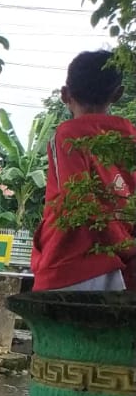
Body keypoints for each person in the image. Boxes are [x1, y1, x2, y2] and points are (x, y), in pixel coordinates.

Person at [33, 49, 136, 291]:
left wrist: (125, 246)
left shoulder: (68, 135)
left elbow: (77, 201)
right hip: (123, 272)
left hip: (68, 266)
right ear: (118, 94)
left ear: (64, 94)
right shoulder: (131, 139)